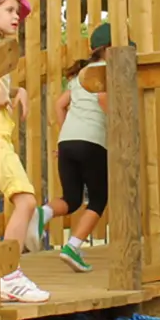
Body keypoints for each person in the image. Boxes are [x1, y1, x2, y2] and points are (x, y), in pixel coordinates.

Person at [37, 22, 112, 273]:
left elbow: (60, 105)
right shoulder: (105, 72)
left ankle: (42, 214)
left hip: (67, 142)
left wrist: (66, 135)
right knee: (99, 198)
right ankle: (73, 246)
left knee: (71, 199)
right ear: (110, 49)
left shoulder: (81, 74)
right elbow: (104, 101)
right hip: (92, 141)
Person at [0, 0, 49, 304]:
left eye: (17, 12)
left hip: (0, 138)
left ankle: (4, 274)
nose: (16, 17)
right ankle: (9, 274)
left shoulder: (0, 49)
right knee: (26, 201)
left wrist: (17, 91)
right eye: (9, 10)